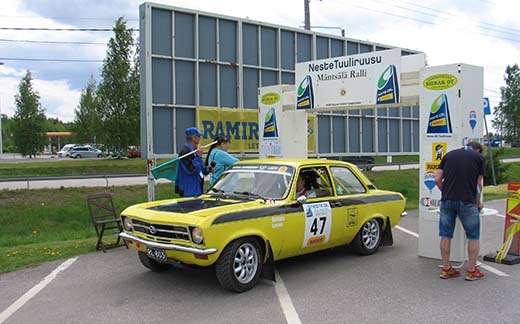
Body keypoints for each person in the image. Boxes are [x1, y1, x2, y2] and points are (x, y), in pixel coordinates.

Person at [434, 141, 486, 281]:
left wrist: (446, 193)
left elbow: (437, 179)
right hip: (467, 201)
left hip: (447, 201)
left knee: (445, 235)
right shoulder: (479, 158)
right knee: (473, 236)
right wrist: (478, 202)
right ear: (477, 150)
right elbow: (478, 185)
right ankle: (471, 270)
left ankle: (446, 269)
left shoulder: (449, 155)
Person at [175, 127, 212, 197]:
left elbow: (199, 169)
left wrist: (206, 169)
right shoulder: (185, 152)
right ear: (193, 137)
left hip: (196, 187)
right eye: (199, 136)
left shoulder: (194, 150)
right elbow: (192, 169)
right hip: (189, 189)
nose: (200, 138)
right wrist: (199, 157)